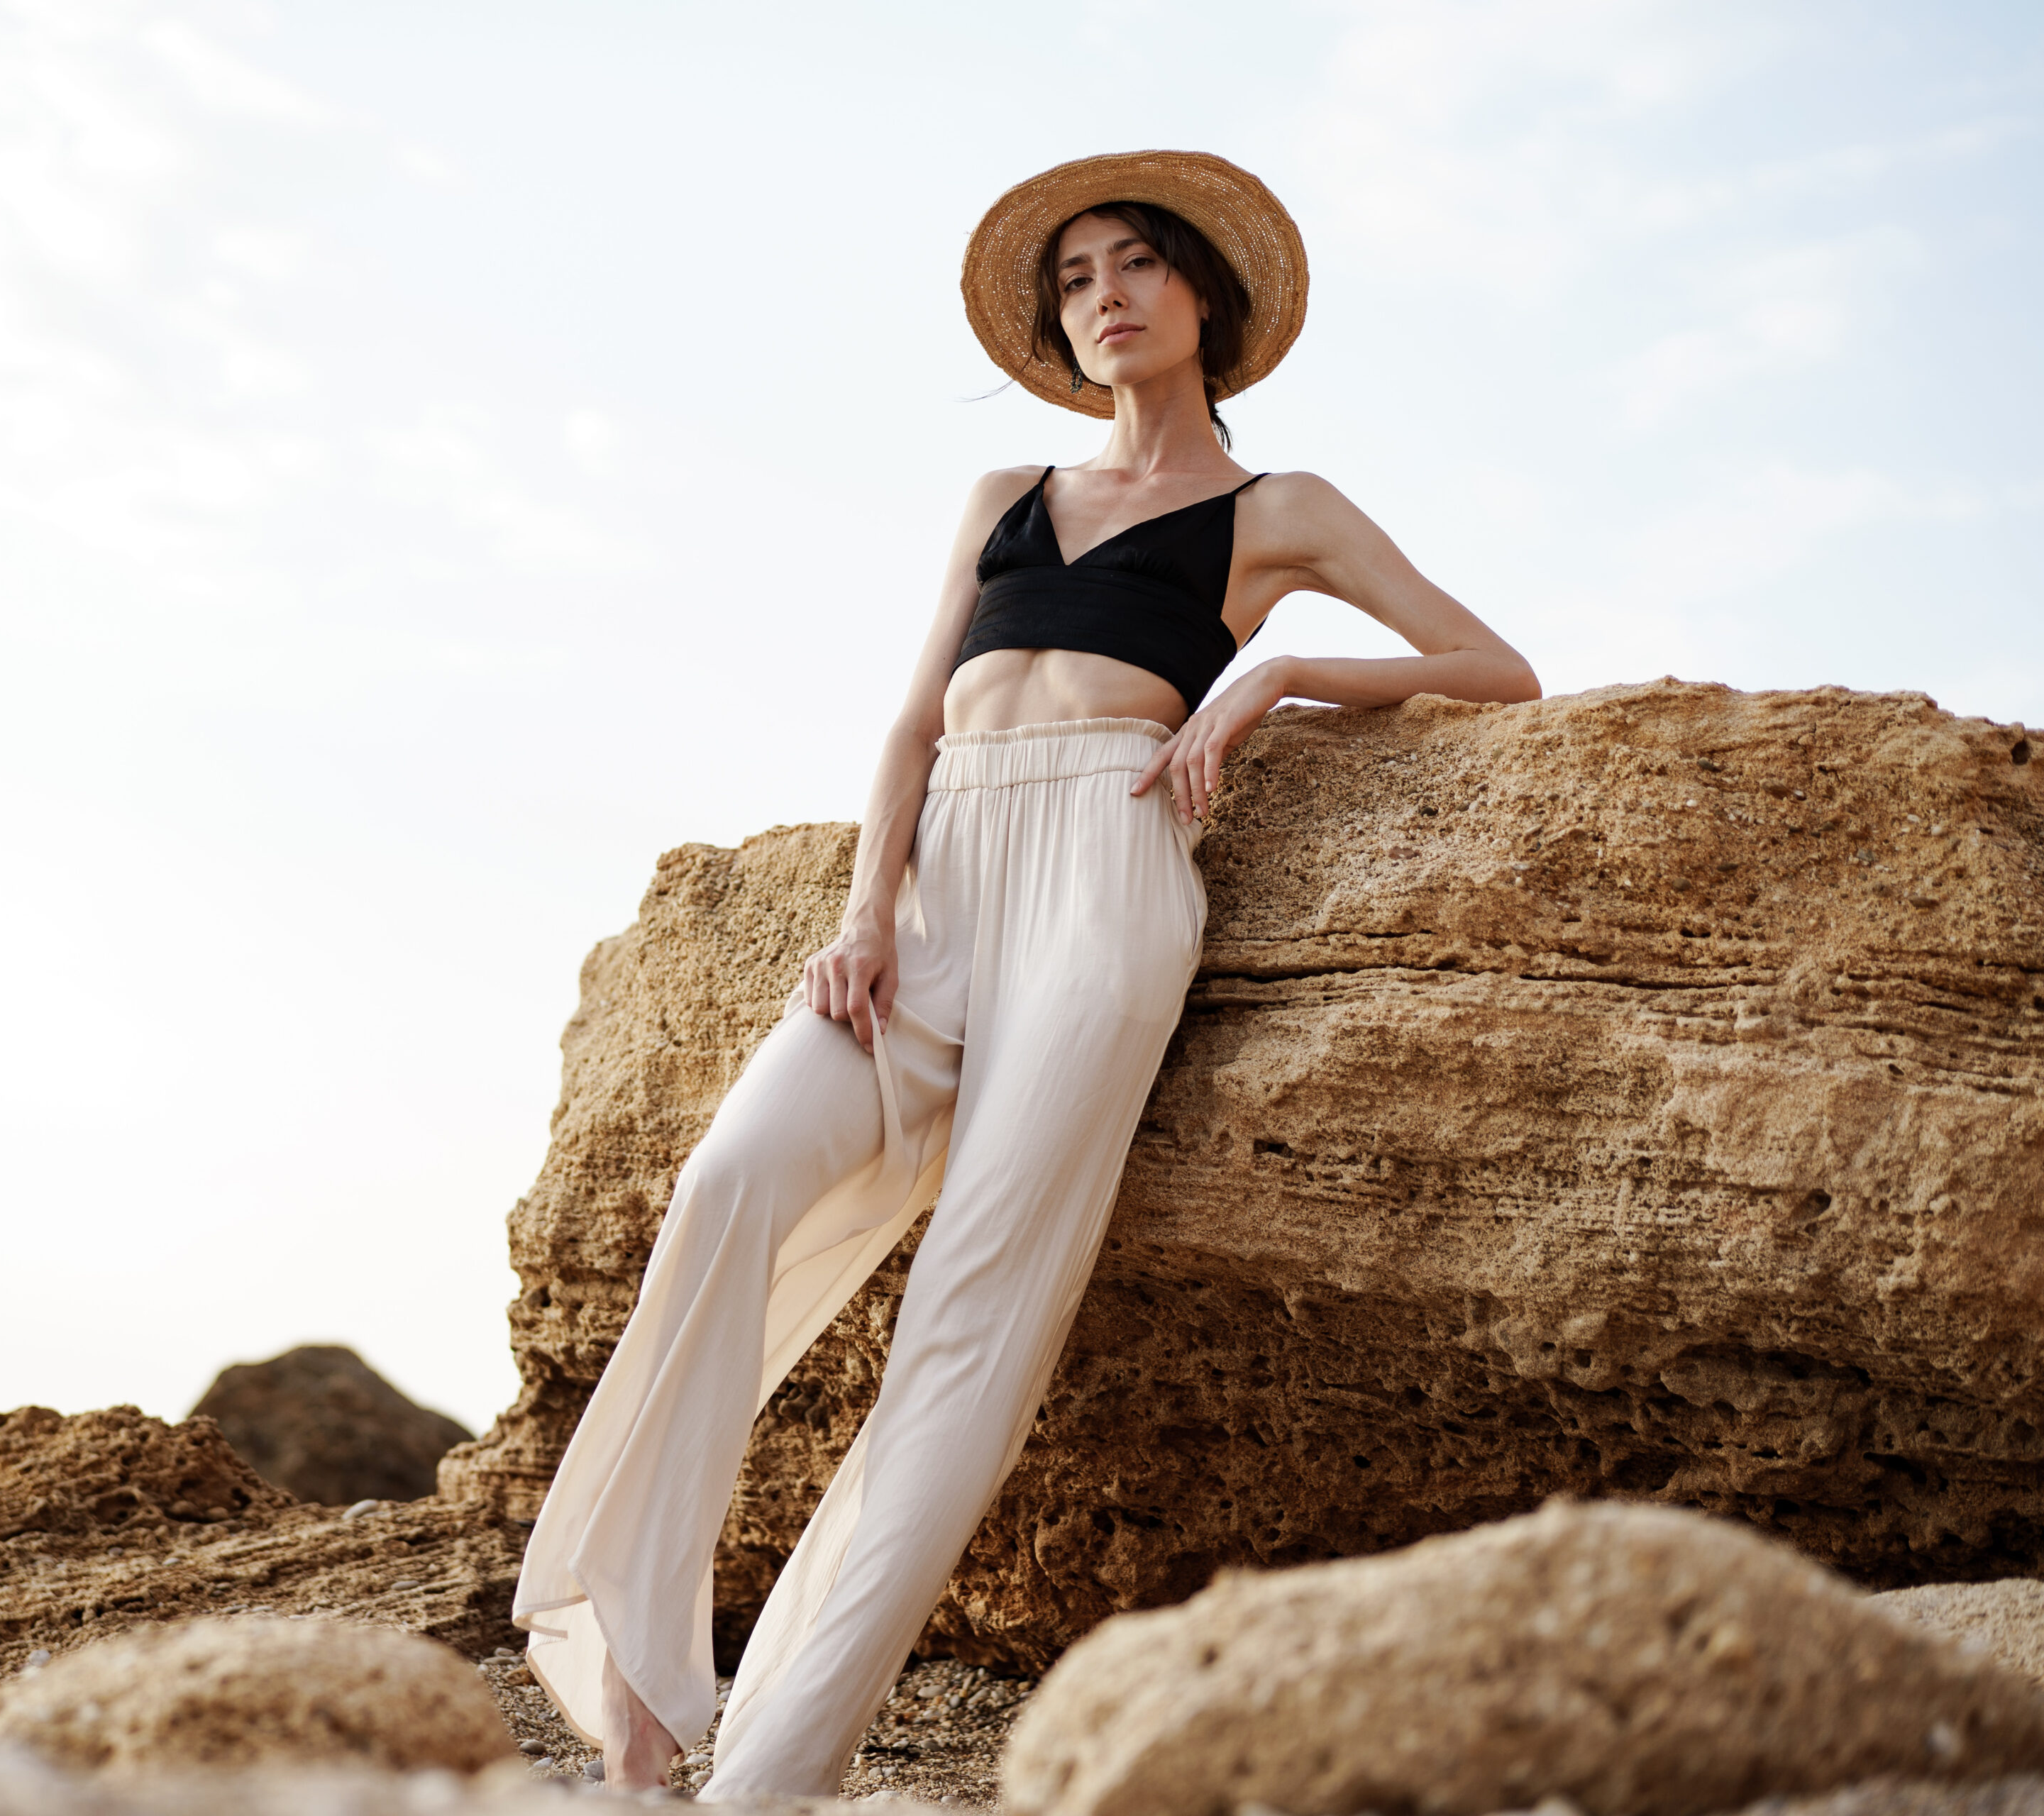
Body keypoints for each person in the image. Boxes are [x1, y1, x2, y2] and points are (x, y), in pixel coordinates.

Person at [511, 150, 1540, 1799]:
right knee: (725, 1182)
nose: (1105, 296)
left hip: (1107, 877)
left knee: (969, 1323)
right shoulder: (1001, 495)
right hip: (927, 905)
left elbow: (1497, 667)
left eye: (1137, 265)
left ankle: (768, 1768)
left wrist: (1272, 675)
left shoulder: (1283, 514)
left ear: (1209, 296)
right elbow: (916, 719)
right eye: (1075, 280)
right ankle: (637, 1656)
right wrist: (861, 910)